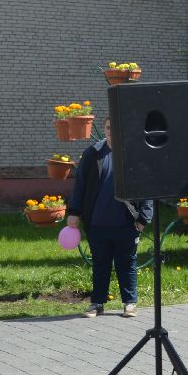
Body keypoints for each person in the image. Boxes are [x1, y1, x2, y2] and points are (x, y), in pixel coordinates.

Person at [66, 116, 153, 318]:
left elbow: (146, 187)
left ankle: (129, 303)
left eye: (115, 128)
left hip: (126, 222)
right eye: (107, 128)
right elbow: (80, 185)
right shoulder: (93, 154)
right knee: (100, 264)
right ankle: (97, 303)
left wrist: (143, 219)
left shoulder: (133, 154)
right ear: (104, 129)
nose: (110, 132)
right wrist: (74, 212)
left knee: (127, 263)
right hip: (97, 222)